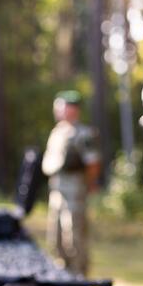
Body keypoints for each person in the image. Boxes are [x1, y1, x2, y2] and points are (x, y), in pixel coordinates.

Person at [41, 90, 100, 276]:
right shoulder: (57, 132)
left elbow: (93, 163)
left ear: (73, 109)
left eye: (61, 107)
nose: (57, 111)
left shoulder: (82, 134)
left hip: (74, 190)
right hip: (57, 191)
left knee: (74, 238)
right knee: (55, 238)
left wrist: (88, 184)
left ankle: (79, 277)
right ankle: (63, 275)